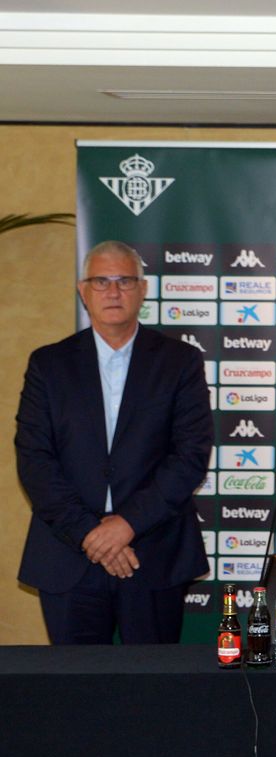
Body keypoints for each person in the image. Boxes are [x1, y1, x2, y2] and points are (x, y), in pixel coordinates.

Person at [15, 240, 212, 643]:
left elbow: (189, 455)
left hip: (153, 552)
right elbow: (35, 460)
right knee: (76, 694)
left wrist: (126, 525)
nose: (113, 291)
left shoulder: (180, 362)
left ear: (142, 290)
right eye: (101, 281)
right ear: (82, 291)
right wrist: (93, 534)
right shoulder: (48, 365)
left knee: (153, 692)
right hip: (69, 554)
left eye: (124, 280)